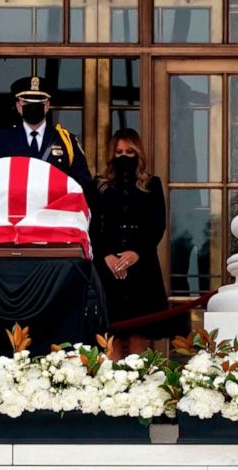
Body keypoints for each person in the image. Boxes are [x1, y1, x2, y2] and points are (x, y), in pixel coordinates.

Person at [91, 129, 170, 357]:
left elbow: (157, 224)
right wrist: (105, 255)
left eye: (129, 151)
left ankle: (139, 387)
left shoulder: (151, 184)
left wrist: (137, 253)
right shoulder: (100, 185)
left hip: (141, 266)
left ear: (138, 153)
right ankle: (112, 388)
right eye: (119, 152)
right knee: (110, 332)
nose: (124, 156)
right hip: (107, 265)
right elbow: (93, 225)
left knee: (139, 333)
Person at [0, 75, 93, 190]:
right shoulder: (1, 140)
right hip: (16, 206)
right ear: (19, 107)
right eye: (27, 104)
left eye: (39, 104)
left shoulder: (66, 140)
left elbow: (83, 182)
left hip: (53, 207)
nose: (33, 108)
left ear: (47, 106)